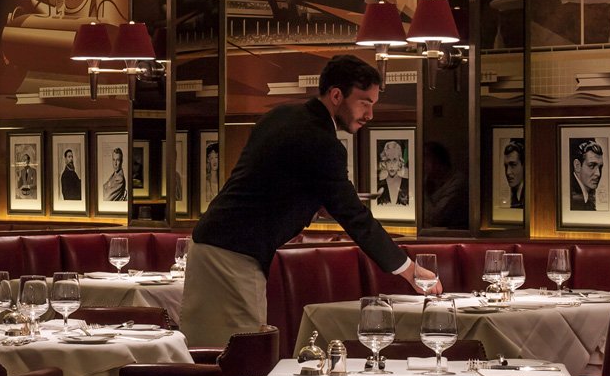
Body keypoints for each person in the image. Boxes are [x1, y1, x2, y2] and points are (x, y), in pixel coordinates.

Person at [184, 55, 435, 346]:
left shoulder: (281, 116)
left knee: (211, 351)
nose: (369, 115)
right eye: (364, 102)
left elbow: (267, 181)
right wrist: (409, 270)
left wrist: (314, 201)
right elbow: (355, 216)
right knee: (238, 355)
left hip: (215, 247)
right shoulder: (321, 141)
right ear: (337, 95)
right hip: (232, 255)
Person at [421, 140, 467, 229]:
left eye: (426, 158)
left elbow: (435, 218)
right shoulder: (427, 179)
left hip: (452, 235)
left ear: (438, 161)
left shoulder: (457, 181)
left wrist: (421, 190)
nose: (422, 163)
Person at [569, 138, 605, 210]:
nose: (598, 174)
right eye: (591, 165)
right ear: (577, 166)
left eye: (600, 167)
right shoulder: (573, 199)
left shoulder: (586, 197)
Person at [375, 138, 410, 207]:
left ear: (399, 161)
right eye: (388, 160)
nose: (391, 165)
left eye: (394, 160)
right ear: (384, 162)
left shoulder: (408, 184)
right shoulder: (378, 186)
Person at [500, 137, 525, 209]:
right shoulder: (511, 196)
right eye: (506, 166)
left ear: (523, 165)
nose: (508, 172)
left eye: (513, 165)